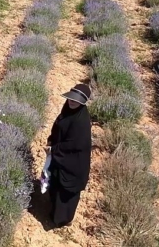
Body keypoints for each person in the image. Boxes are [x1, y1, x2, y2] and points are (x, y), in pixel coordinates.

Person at [45, 83, 92, 228]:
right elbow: (58, 126)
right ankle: (54, 213)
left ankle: (62, 221)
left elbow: (74, 145)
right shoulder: (67, 110)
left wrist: (54, 149)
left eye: (76, 100)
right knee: (56, 187)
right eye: (71, 98)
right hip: (61, 158)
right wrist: (51, 139)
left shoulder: (81, 121)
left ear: (82, 103)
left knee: (66, 195)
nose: (72, 101)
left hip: (73, 164)